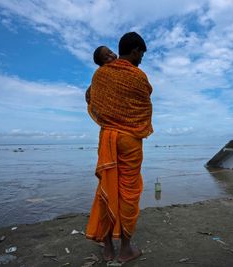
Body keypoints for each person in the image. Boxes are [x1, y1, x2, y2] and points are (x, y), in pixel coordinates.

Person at [85, 32, 153, 263]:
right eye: (141, 53)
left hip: (108, 138)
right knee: (129, 193)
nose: (141, 58)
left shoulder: (100, 74)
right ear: (135, 50)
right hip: (130, 139)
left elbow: (91, 99)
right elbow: (145, 101)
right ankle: (125, 249)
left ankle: (107, 248)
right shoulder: (138, 76)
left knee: (107, 186)